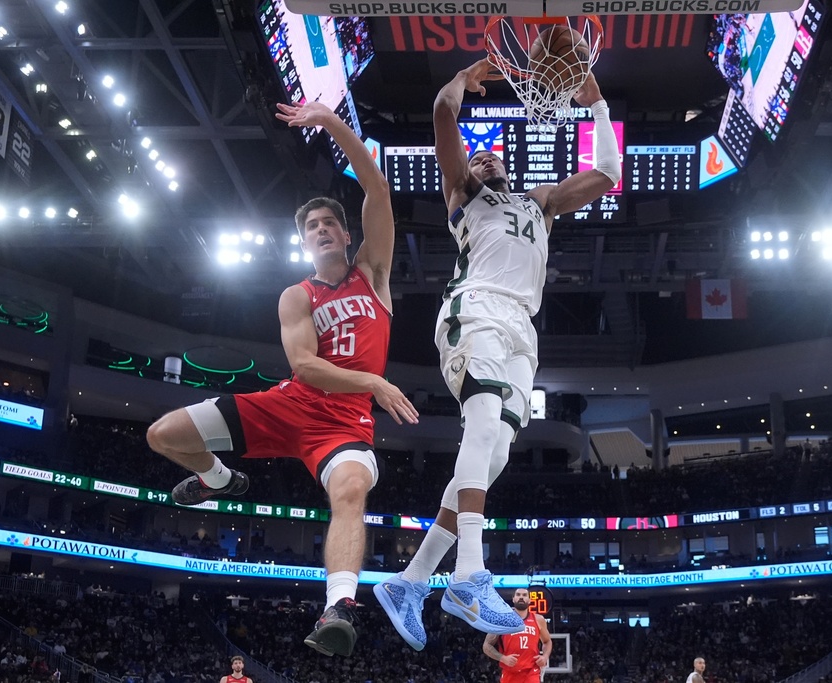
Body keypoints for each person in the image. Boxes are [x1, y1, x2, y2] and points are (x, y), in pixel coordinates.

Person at [145, 99, 418, 658]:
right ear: (305, 244)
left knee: (349, 489)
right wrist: (374, 383)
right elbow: (305, 368)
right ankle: (220, 480)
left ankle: (339, 607)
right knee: (163, 435)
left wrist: (331, 124)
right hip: (291, 404)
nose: (320, 230)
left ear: (346, 236)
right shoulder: (297, 295)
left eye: (328, 224)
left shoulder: (374, 275)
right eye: (310, 227)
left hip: (342, 427)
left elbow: (378, 192)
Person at [375, 58, 620, 649]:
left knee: (496, 457)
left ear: (510, 168)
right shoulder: (464, 198)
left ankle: (410, 581)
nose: (485, 160)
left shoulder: (542, 204)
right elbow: (441, 111)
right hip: (476, 309)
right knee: (481, 425)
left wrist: (597, 104)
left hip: (523, 331)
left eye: (492, 158)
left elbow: (608, 173)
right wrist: (462, 76)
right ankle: (466, 578)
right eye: (477, 157)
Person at [482, 589, 553, 683]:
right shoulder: (502, 620)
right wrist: (503, 658)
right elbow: (486, 645)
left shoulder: (538, 619)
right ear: (513, 599)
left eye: (524, 595)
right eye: (518, 595)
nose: (521, 597)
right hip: (510, 672)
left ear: (529, 600)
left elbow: (547, 641)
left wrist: (545, 656)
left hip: (531, 671)